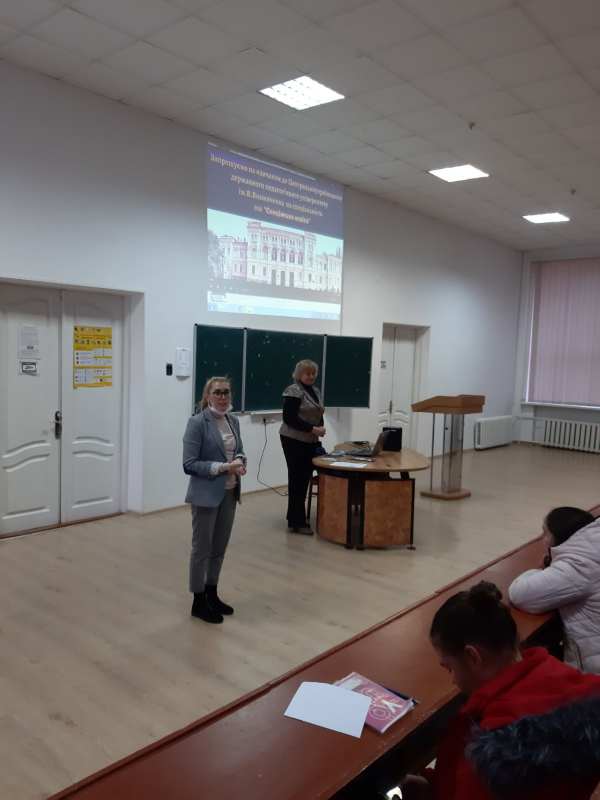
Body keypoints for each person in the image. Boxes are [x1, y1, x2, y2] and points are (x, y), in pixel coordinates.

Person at [400, 581, 600, 800]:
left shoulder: (491, 756)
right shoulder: (583, 691)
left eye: (450, 668)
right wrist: (435, 784)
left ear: (472, 657)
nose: (454, 680)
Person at [182, 376, 246, 624]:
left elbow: (239, 451)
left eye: (226, 392)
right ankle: (198, 602)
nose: (222, 397)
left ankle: (212, 593)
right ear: (207, 395)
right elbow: (189, 464)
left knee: (219, 548)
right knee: (202, 549)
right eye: (217, 392)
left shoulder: (233, 421)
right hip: (205, 495)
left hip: (230, 493)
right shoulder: (197, 423)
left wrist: (241, 462)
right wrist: (222, 467)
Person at [509, 507, 600, 673]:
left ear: (558, 537)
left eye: (545, 533)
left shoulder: (578, 564)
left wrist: (540, 570)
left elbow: (521, 594)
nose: (542, 539)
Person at [280, 359, 325, 535]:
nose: (311, 376)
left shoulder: (315, 390)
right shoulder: (293, 391)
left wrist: (320, 427)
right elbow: (289, 418)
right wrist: (313, 429)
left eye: (313, 373)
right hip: (293, 439)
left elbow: (318, 412)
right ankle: (296, 522)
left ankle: (296, 517)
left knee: (305, 477)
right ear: (299, 374)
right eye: (307, 373)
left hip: (310, 440)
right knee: (297, 479)